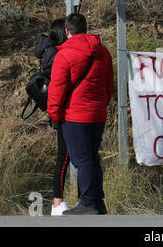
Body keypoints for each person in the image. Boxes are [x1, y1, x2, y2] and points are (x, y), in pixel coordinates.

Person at [47, 13, 114, 215]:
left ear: (67, 31)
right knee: (92, 158)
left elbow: (56, 91)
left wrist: (55, 116)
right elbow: (109, 87)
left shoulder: (64, 55)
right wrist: (100, 106)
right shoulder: (104, 53)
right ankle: (97, 202)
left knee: (82, 160)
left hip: (75, 116)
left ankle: (87, 203)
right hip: (97, 115)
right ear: (86, 29)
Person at [35, 19, 76, 216]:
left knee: (69, 157)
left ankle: (60, 203)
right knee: (64, 157)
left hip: (63, 111)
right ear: (62, 33)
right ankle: (57, 203)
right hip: (62, 112)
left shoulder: (51, 52)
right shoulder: (55, 54)